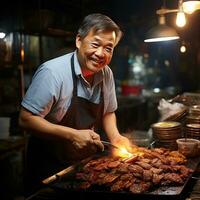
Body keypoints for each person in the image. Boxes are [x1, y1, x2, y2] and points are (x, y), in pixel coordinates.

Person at [19, 13, 131, 196]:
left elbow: (108, 112)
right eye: (95, 44)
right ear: (79, 41)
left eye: (109, 48)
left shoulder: (106, 73)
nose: (101, 54)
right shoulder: (53, 73)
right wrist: (72, 135)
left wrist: (116, 138)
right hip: (48, 168)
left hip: (82, 167)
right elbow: (25, 119)